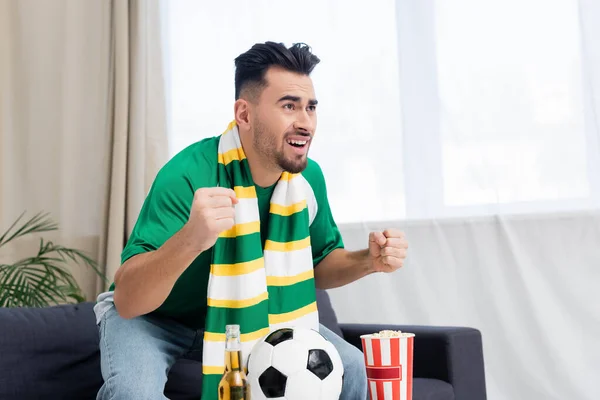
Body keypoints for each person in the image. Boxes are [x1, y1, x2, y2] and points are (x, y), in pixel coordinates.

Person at [94, 41, 409, 400]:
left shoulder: (307, 181)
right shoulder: (187, 175)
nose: (305, 123)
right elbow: (129, 301)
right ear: (244, 114)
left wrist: (367, 260)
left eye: (310, 108)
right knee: (132, 393)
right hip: (157, 321)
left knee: (350, 366)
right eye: (289, 106)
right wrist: (192, 238)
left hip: (249, 318)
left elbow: (319, 264)